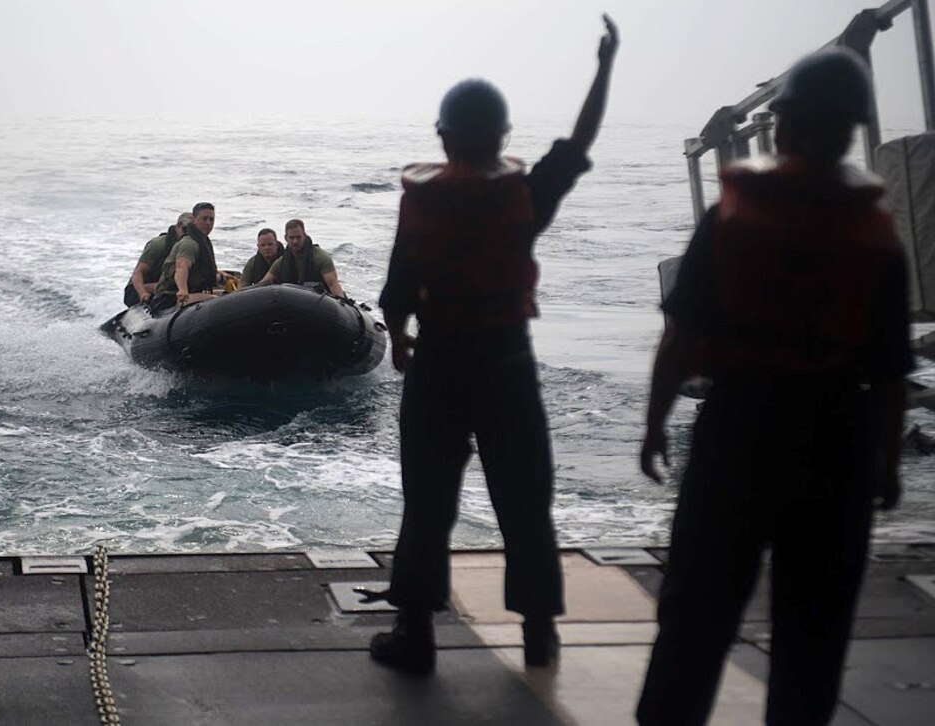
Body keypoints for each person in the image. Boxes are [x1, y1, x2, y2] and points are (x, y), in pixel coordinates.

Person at [637, 47, 913, 725]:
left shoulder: (734, 218)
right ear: (852, 130)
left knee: (697, 615)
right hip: (835, 443)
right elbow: (888, 374)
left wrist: (652, 425)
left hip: (740, 431)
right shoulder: (876, 235)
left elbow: (680, 339)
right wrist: (884, 464)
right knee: (812, 638)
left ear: (781, 125)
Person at [369, 15, 619, 674]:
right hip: (508, 362)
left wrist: (398, 343)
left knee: (428, 503)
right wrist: (604, 64)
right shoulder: (525, 196)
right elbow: (580, 137)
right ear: (502, 138)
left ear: (444, 138)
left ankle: (416, 635)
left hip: (440, 364)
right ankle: (539, 633)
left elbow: (399, 287)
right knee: (524, 501)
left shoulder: (423, 202)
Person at [152, 202, 231, 307]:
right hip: (169, 296)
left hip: (193, 291)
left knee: (228, 295)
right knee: (215, 300)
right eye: (204, 219)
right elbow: (181, 267)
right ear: (194, 220)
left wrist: (221, 276)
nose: (208, 223)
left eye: (211, 219)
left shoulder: (202, 241)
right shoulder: (189, 243)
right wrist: (182, 290)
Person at [258, 219, 346, 298]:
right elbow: (263, 284)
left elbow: (333, 284)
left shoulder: (320, 257)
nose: (295, 241)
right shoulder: (281, 262)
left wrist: (342, 301)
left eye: (298, 237)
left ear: (304, 235)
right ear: (286, 238)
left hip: (321, 301)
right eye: (291, 238)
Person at [124, 212, 193, 306]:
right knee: (172, 289)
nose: (187, 234)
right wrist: (142, 293)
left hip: (169, 285)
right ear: (177, 227)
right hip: (138, 289)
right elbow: (138, 272)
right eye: (185, 230)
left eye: (192, 231)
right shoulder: (158, 245)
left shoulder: (191, 246)